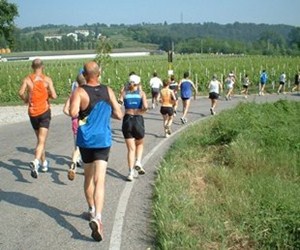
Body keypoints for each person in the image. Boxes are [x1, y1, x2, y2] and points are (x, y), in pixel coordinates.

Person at [69, 61, 123, 242]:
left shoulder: (80, 91)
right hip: (103, 140)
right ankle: (98, 218)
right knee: (100, 180)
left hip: (86, 140)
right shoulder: (108, 91)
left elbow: (73, 112)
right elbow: (119, 114)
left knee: (88, 177)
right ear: (99, 73)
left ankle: (91, 209)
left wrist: (84, 111)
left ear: (84, 74)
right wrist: (105, 111)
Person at [18, 58, 57, 179]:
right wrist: (48, 94)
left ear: (32, 67)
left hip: (33, 113)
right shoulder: (47, 80)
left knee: (40, 140)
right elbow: (55, 96)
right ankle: (36, 162)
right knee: (41, 141)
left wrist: (25, 99)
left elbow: (20, 92)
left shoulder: (27, 79)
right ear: (43, 67)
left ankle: (44, 163)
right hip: (44, 111)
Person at [119, 74, 148, 181]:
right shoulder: (141, 93)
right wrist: (142, 111)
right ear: (139, 83)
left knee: (131, 149)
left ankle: (130, 172)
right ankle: (138, 162)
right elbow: (145, 107)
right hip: (138, 119)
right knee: (140, 143)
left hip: (127, 120)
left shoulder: (124, 93)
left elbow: (119, 104)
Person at [63, 73, 86, 181]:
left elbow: (65, 110)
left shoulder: (72, 95)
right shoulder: (86, 93)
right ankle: (86, 168)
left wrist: (73, 115)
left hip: (75, 123)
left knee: (77, 147)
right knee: (86, 147)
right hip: (85, 122)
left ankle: (73, 164)